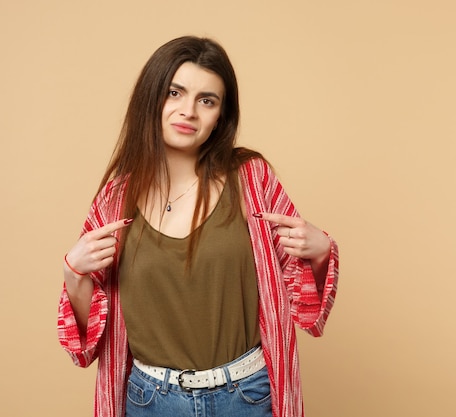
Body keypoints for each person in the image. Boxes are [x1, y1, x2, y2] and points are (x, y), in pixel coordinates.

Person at [58, 35, 339, 417]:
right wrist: (74, 274)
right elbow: (89, 342)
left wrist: (322, 251)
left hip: (246, 396)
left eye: (207, 100)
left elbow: (303, 300)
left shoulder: (251, 180)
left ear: (220, 115)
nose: (188, 110)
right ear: (151, 98)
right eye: (175, 93)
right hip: (149, 400)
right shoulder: (114, 199)